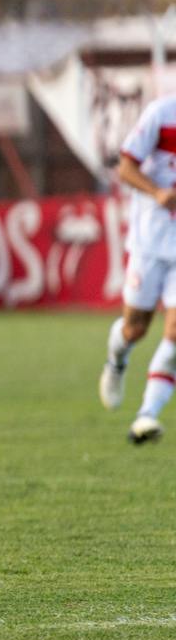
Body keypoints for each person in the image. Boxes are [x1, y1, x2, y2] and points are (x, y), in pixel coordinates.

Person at [100, 94, 176, 443]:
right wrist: (157, 192)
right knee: (135, 328)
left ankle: (146, 416)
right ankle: (116, 361)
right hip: (149, 241)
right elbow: (126, 168)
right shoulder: (162, 113)